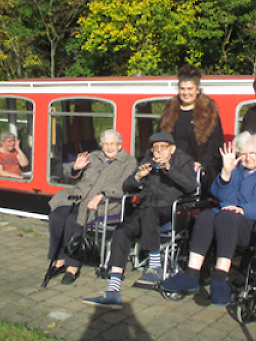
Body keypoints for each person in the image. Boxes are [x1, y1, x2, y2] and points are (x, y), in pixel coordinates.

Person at [159, 132, 256, 305]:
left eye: (252, 154)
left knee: (226, 216)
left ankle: (220, 277)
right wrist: (226, 172)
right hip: (229, 220)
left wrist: (242, 209)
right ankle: (192, 274)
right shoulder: (236, 170)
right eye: (243, 154)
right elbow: (219, 194)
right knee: (205, 216)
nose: (248, 158)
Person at [83, 132, 198, 309]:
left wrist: (169, 169)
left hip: (168, 209)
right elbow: (127, 187)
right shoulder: (148, 160)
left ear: (172, 149)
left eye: (163, 147)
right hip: (145, 208)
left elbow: (191, 187)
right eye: (155, 148)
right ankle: (113, 291)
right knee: (122, 231)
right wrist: (137, 177)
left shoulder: (183, 161)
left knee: (149, 211)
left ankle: (154, 266)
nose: (158, 152)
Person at [44, 129, 137, 285]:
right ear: (101, 146)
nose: (109, 147)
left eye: (112, 144)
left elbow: (126, 186)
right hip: (78, 196)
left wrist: (102, 195)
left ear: (120, 145)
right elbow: (67, 173)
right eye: (106, 144)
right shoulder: (94, 156)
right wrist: (76, 167)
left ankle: (72, 266)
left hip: (104, 203)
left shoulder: (129, 161)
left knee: (73, 221)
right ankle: (59, 259)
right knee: (56, 217)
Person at [158, 65, 225, 182]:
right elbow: (159, 138)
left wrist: (201, 164)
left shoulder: (209, 112)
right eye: (182, 89)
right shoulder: (169, 111)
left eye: (190, 88)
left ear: (197, 89)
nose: (186, 93)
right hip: (171, 168)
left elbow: (215, 145)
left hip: (197, 170)